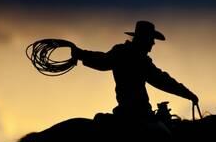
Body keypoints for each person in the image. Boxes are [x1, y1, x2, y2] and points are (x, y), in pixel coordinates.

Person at [71, 20, 199, 121]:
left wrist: (81, 54)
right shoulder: (140, 60)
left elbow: (103, 61)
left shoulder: (121, 52)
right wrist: (188, 94)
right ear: (144, 39)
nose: (153, 43)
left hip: (124, 111)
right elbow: (162, 80)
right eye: (151, 39)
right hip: (138, 114)